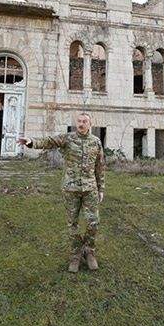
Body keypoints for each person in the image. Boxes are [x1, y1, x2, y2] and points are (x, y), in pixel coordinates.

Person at [17, 113, 104, 273]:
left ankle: (89, 252)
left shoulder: (96, 142)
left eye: (84, 121)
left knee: (93, 222)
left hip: (90, 189)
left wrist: (101, 188)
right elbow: (49, 142)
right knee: (73, 224)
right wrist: (31, 142)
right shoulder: (68, 138)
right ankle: (76, 255)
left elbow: (100, 167)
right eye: (79, 121)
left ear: (90, 124)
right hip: (70, 188)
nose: (81, 124)